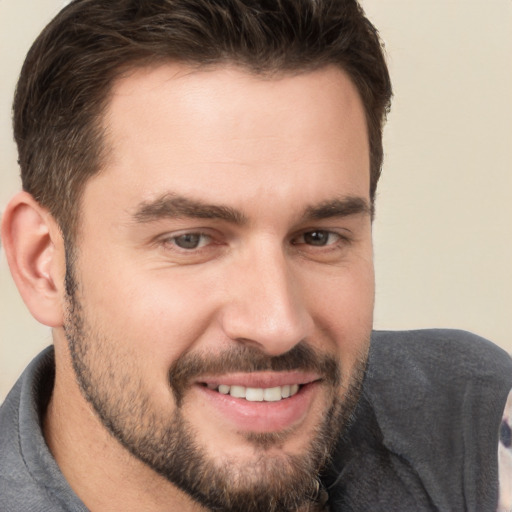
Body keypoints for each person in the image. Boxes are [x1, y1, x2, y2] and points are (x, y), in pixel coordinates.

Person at [0, 0, 510, 510]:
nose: (277, 324)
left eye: (318, 237)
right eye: (191, 240)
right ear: (41, 263)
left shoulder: (471, 423)